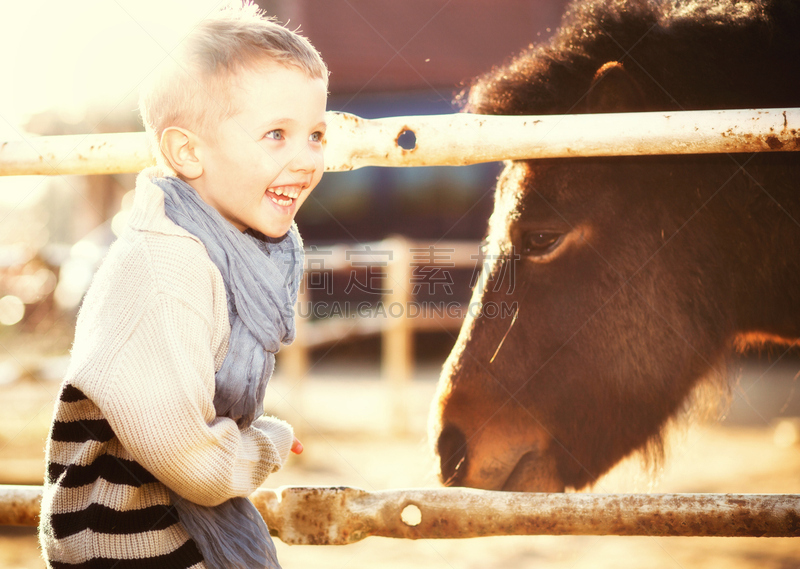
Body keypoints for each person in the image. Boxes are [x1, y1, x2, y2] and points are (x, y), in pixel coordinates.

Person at [38, 3, 328, 568]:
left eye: (316, 134)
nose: (306, 159)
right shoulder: (168, 271)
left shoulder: (208, 250)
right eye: (276, 134)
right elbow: (194, 464)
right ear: (188, 152)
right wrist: (264, 442)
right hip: (130, 547)